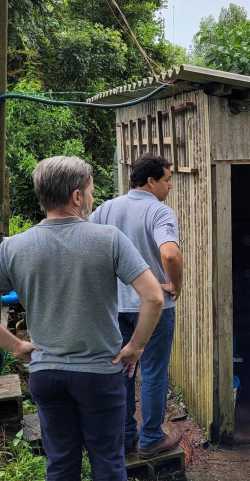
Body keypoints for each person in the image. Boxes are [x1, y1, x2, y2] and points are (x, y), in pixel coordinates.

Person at [0, 156, 164, 481]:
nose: (92, 196)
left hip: (47, 374)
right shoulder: (108, 239)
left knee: (61, 462)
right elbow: (153, 296)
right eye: (89, 189)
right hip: (101, 374)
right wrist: (135, 347)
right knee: (107, 460)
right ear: (76, 196)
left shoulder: (15, 246)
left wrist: (17, 346)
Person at [89, 152, 183, 459]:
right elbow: (169, 254)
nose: (170, 187)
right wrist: (175, 285)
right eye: (168, 180)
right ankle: (151, 439)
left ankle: (126, 435)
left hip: (116, 307)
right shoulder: (160, 212)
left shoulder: (105, 209)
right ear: (152, 181)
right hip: (153, 307)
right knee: (154, 372)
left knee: (123, 369)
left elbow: (88, 247)